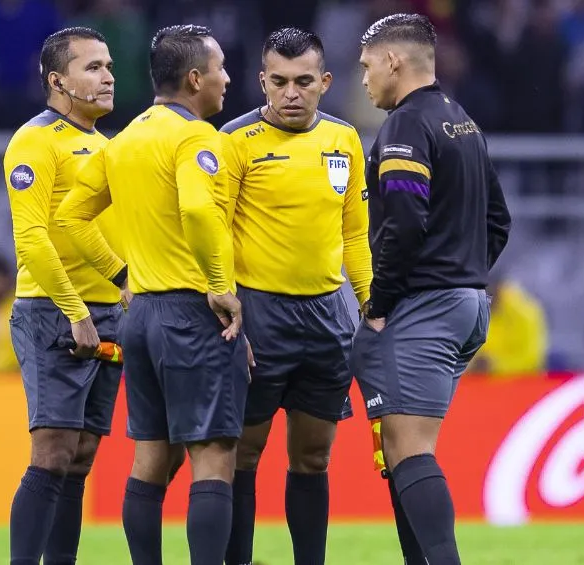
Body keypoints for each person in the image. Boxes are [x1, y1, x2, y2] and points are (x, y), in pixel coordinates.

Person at [55, 25, 248, 565]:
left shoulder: (126, 138)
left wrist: (121, 278)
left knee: (150, 459)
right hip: (193, 311)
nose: (227, 78)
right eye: (220, 68)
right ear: (194, 78)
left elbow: (70, 216)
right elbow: (195, 209)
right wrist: (219, 285)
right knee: (213, 457)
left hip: (140, 317)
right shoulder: (196, 138)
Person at [353, 13, 511, 565]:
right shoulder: (461, 120)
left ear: (393, 60)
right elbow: (499, 220)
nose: (365, 78)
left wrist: (383, 300)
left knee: (409, 448)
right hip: (466, 305)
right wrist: (464, 272)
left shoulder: (405, 126)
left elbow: (402, 220)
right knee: (404, 451)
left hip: (423, 307)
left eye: (367, 65)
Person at [218, 27, 371, 565]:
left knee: (312, 457)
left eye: (303, 81)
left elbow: (355, 231)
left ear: (325, 82)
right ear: (262, 81)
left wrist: (369, 303)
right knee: (244, 454)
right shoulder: (234, 141)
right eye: (278, 81)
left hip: (329, 316)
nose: (290, 93)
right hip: (259, 315)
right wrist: (225, 300)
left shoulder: (344, 139)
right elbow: (213, 231)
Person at [2, 26, 129, 565]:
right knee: (51, 453)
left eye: (108, 67)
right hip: (55, 313)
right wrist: (76, 312)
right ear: (58, 80)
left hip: (108, 314)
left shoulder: (105, 146)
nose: (108, 76)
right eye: (93, 67)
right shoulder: (35, 141)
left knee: (80, 458)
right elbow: (30, 237)